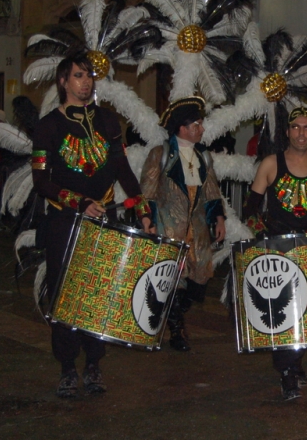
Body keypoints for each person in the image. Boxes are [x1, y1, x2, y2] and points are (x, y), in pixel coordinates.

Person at [32, 54, 153, 398]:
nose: (86, 81)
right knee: (65, 292)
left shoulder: (108, 121)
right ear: (63, 81)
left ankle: (95, 364)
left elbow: (123, 171)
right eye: (78, 75)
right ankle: (68, 367)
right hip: (64, 221)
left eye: (89, 76)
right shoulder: (48, 126)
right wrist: (79, 203)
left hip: (104, 220)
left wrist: (142, 210)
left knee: (101, 291)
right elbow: (41, 182)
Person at [244, 106, 307, 400]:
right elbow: (251, 207)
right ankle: (287, 370)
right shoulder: (271, 163)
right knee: (280, 309)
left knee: (306, 309)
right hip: (276, 247)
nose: (301, 133)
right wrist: (258, 241)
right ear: (287, 132)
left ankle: (294, 364)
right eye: (296, 127)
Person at [140, 96, 226, 352]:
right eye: (196, 124)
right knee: (174, 277)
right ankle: (177, 328)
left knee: (200, 277)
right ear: (181, 127)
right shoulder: (160, 154)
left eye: (201, 124)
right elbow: (148, 191)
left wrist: (218, 218)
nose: (201, 129)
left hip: (197, 230)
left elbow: (211, 191)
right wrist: (148, 220)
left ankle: (169, 314)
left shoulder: (204, 157)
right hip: (169, 226)